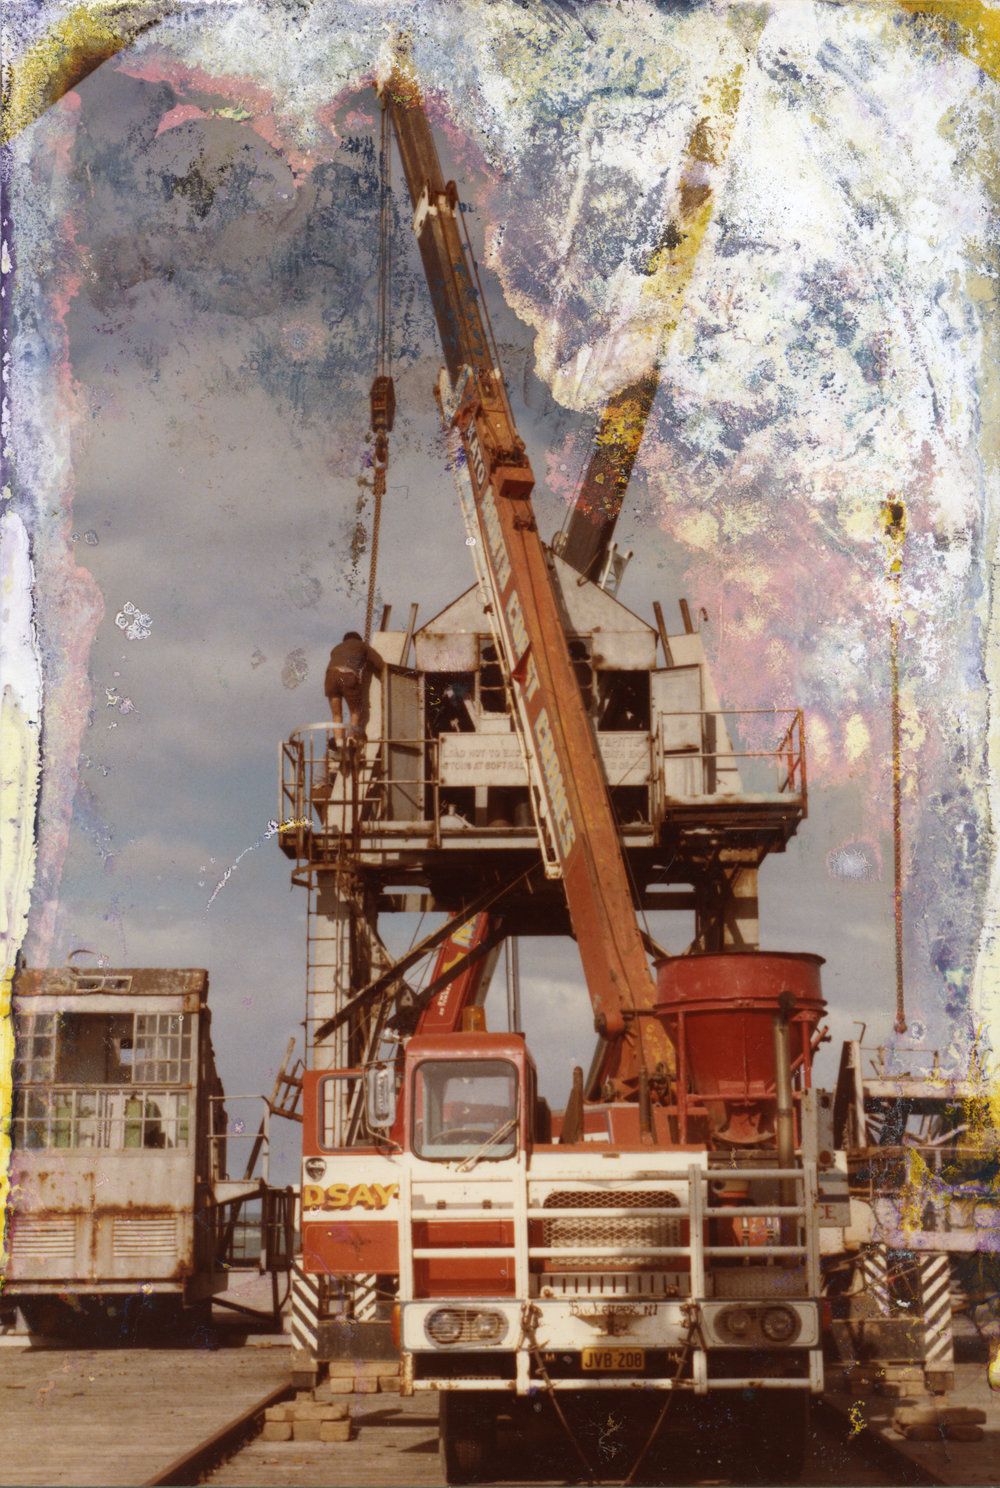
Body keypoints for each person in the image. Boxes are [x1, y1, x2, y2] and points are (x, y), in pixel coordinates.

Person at [325, 630, 384, 764]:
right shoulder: (362, 645)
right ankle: (351, 741)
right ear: (358, 639)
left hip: (330, 677)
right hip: (347, 676)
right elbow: (379, 663)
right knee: (355, 711)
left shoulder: (336, 649)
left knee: (336, 715)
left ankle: (340, 748)